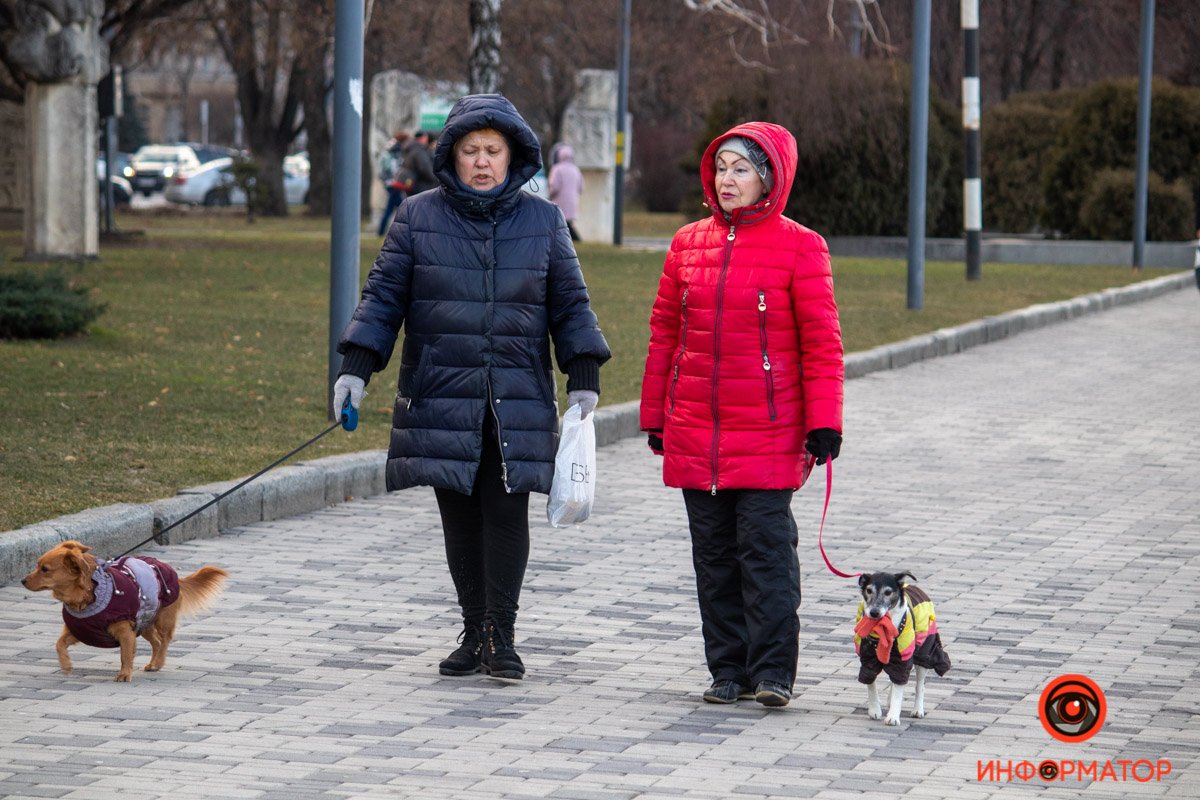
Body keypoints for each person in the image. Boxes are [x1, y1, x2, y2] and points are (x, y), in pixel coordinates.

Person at [334, 94, 611, 681]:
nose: (482, 162)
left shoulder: (543, 221)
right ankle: (474, 628)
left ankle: (500, 637)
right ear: (452, 156)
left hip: (515, 398)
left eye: (493, 150)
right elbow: (383, 298)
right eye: (470, 151)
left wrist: (582, 374)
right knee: (458, 516)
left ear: (513, 156)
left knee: (505, 514)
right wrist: (356, 367)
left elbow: (570, 304)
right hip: (440, 392)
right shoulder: (417, 217)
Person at [639, 122, 844, 708]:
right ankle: (727, 670)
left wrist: (823, 421)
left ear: (769, 179)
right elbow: (664, 336)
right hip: (696, 430)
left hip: (770, 432)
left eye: (742, 169)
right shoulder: (686, 244)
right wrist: (656, 413)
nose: (728, 180)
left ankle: (773, 672)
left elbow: (822, 345)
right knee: (714, 558)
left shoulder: (802, 246)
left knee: (766, 554)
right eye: (722, 167)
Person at [377, 130, 412, 235]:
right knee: (403, 209)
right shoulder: (397, 151)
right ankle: (383, 232)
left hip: (389, 183)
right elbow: (396, 168)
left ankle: (382, 231)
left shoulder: (388, 149)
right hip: (395, 184)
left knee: (398, 208)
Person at [548, 143, 584, 241]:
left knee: (562, 222)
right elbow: (581, 187)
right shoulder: (576, 169)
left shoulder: (557, 169)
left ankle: (577, 239)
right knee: (566, 222)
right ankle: (569, 239)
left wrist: (550, 195)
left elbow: (554, 187)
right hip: (573, 201)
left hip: (559, 200)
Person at [402, 129, 439, 197]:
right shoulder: (419, 151)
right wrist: (437, 179)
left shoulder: (411, 148)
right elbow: (426, 170)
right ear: (423, 138)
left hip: (412, 185)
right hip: (420, 187)